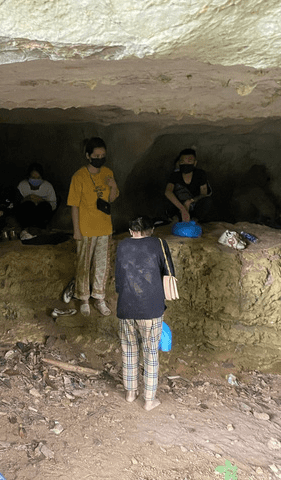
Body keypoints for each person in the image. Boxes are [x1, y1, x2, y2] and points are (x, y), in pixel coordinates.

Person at [115, 216, 174, 412]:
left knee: (129, 350)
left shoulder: (122, 245)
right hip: (151, 308)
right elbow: (169, 272)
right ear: (152, 230)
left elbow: (118, 278)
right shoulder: (159, 244)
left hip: (126, 307)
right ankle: (149, 400)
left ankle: (130, 393)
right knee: (150, 353)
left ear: (131, 231)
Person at [67, 137, 119, 317]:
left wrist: (113, 186)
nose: (100, 158)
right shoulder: (79, 176)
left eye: (102, 155)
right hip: (86, 228)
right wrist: (76, 230)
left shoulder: (108, 172)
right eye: (96, 156)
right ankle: (83, 299)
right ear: (88, 156)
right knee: (84, 265)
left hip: (104, 228)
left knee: (102, 265)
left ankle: (99, 298)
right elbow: (74, 205)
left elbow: (111, 199)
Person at [164, 148, 213, 222]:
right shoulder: (175, 175)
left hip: (193, 207)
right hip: (179, 207)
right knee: (168, 199)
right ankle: (175, 219)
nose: (185, 164)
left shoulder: (200, 174)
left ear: (195, 163)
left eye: (189, 161)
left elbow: (203, 194)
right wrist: (183, 209)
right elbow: (168, 192)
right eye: (182, 162)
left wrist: (190, 201)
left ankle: (195, 220)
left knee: (207, 201)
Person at [15, 162, 57, 237]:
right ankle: (27, 229)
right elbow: (16, 205)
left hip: (41, 217)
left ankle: (40, 229)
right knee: (28, 205)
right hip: (27, 216)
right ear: (28, 177)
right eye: (33, 178)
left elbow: (53, 205)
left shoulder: (47, 186)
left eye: (38, 178)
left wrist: (40, 200)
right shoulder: (22, 185)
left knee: (44, 206)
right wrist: (26, 199)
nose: (35, 180)